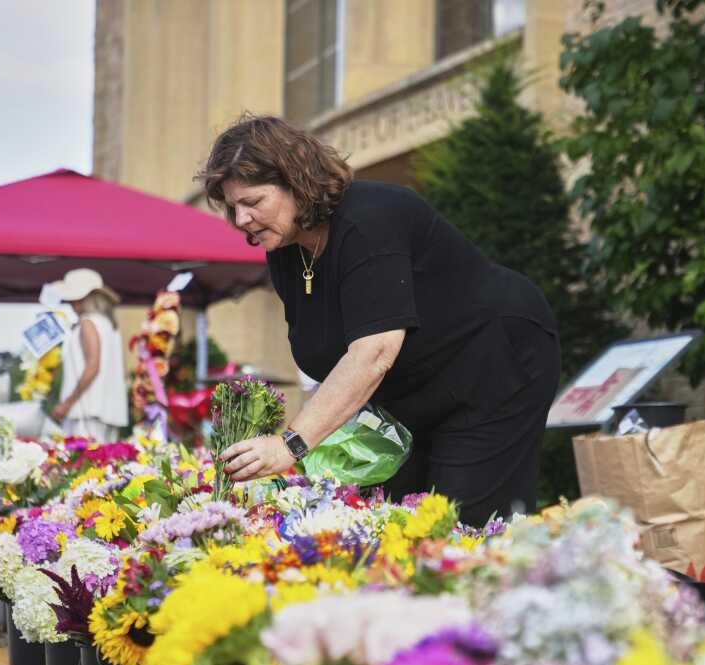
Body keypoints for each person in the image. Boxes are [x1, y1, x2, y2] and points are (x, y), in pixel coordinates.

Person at [205, 115, 561, 526]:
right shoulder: (286, 251)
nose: (242, 220)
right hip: (411, 395)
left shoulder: (368, 221)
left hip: (495, 365)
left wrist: (290, 445)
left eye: (253, 202)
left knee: (463, 524)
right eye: (233, 208)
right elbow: (322, 364)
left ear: (295, 180)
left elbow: (374, 352)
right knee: (391, 522)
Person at [47, 268, 130, 442]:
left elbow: (93, 366)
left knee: (82, 464)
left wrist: (67, 403)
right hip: (108, 411)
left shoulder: (87, 323)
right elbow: (123, 372)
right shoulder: (111, 326)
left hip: (86, 412)